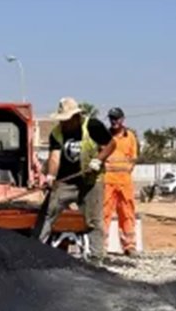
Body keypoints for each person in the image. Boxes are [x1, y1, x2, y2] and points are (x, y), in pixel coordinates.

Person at [33, 97, 117, 259]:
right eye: (62, 120)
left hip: (91, 181)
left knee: (94, 221)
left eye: (67, 120)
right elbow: (55, 157)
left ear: (76, 117)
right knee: (47, 214)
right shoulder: (57, 133)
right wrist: (51, 176)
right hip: (65, 181)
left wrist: (99, 160)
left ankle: (96, 259)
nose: (64, 124)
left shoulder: (92, 126)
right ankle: (35, 251)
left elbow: (111, 144)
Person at [103, 107, 139, 256]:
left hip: (125, 182)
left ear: (122, 119)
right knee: (104, 213)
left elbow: (133, 158)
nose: (114, 121)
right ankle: (100, 247)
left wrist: (125, 171)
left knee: (127, 213)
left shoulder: (130, 136)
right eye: (111, 118)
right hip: (108, 181)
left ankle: (129, 246)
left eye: (116, 118)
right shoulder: (104, 136)